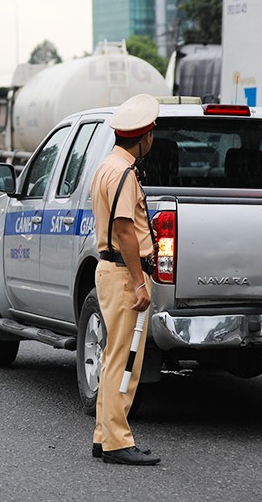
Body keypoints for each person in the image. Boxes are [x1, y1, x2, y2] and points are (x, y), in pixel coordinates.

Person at [90, 93, 162, 467]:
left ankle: (105, 435)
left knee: (112, 355)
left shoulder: (106, 165)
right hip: (122, 274)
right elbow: (125, 229)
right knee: (125, 360)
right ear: (145, 137)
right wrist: (138, 282)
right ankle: (118, 441)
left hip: (110, 270)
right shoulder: (124, 173)